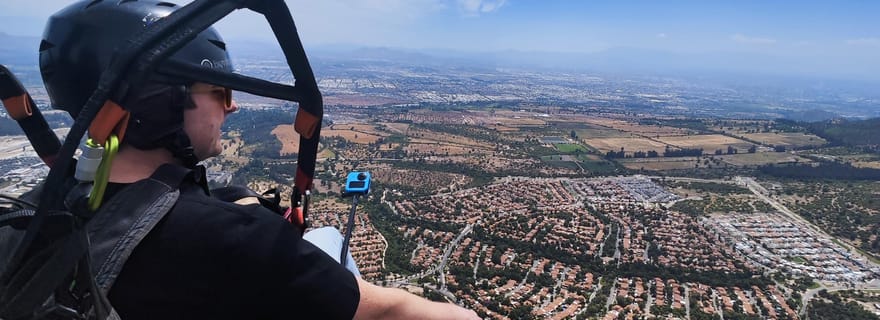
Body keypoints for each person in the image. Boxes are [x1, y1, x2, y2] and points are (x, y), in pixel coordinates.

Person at [37, 1, 480, 319]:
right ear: (158, 101)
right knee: (330, 242)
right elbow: (390, 311)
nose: (231, 108)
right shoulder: (232, 237)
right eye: (220, 92)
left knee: (323, 235)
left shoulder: (39, 211)